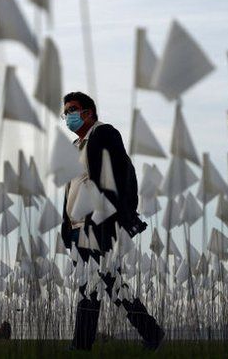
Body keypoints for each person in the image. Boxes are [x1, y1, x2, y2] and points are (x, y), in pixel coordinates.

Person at [59, 91, 164, 351]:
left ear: (88, 112)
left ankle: (86, 343)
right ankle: (148, 332)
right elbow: (72, 186)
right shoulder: (75, 147)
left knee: (105, 280)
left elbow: (119, 175)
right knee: (95, 282)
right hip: (76, 226)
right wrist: (66, 224)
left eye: (72, 110)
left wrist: (112, 215)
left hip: (98, 223)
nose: (68, 116)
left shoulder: (104, 134)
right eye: (65, 112)